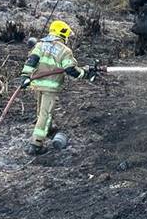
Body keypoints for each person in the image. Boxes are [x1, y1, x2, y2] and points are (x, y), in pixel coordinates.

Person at [19, 20, 96, 155]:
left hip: (37, 84)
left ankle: (46, 130)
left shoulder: (40, 45)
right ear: (63, 33)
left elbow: (31, 61)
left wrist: (25, 76)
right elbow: (71, 70)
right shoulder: (64, 50)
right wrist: (85, 74)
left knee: (41, 112)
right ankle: (36, 144)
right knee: (45, 114)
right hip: (51, 87)